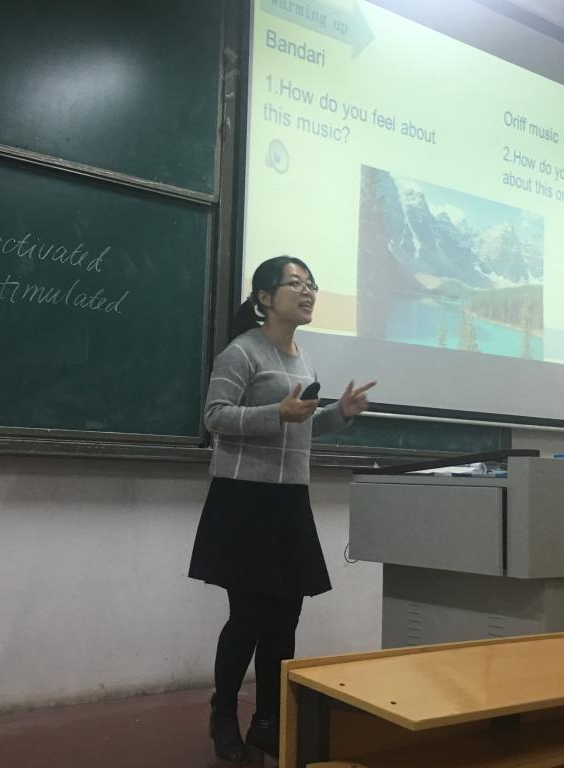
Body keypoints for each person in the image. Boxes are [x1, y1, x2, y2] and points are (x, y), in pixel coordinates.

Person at [188, 255, 375, 763]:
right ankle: (223, 715)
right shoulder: (241, 352)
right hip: (244, 499)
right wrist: (277, 412)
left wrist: (340, 414)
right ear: (265, 297)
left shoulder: (304, 360)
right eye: (295, 283)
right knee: (248, 616)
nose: (308, 291)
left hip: (290, 498)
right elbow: (215, 417)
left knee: (286, 618)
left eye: (311, 284)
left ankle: (268, 722)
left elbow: (301, 426)